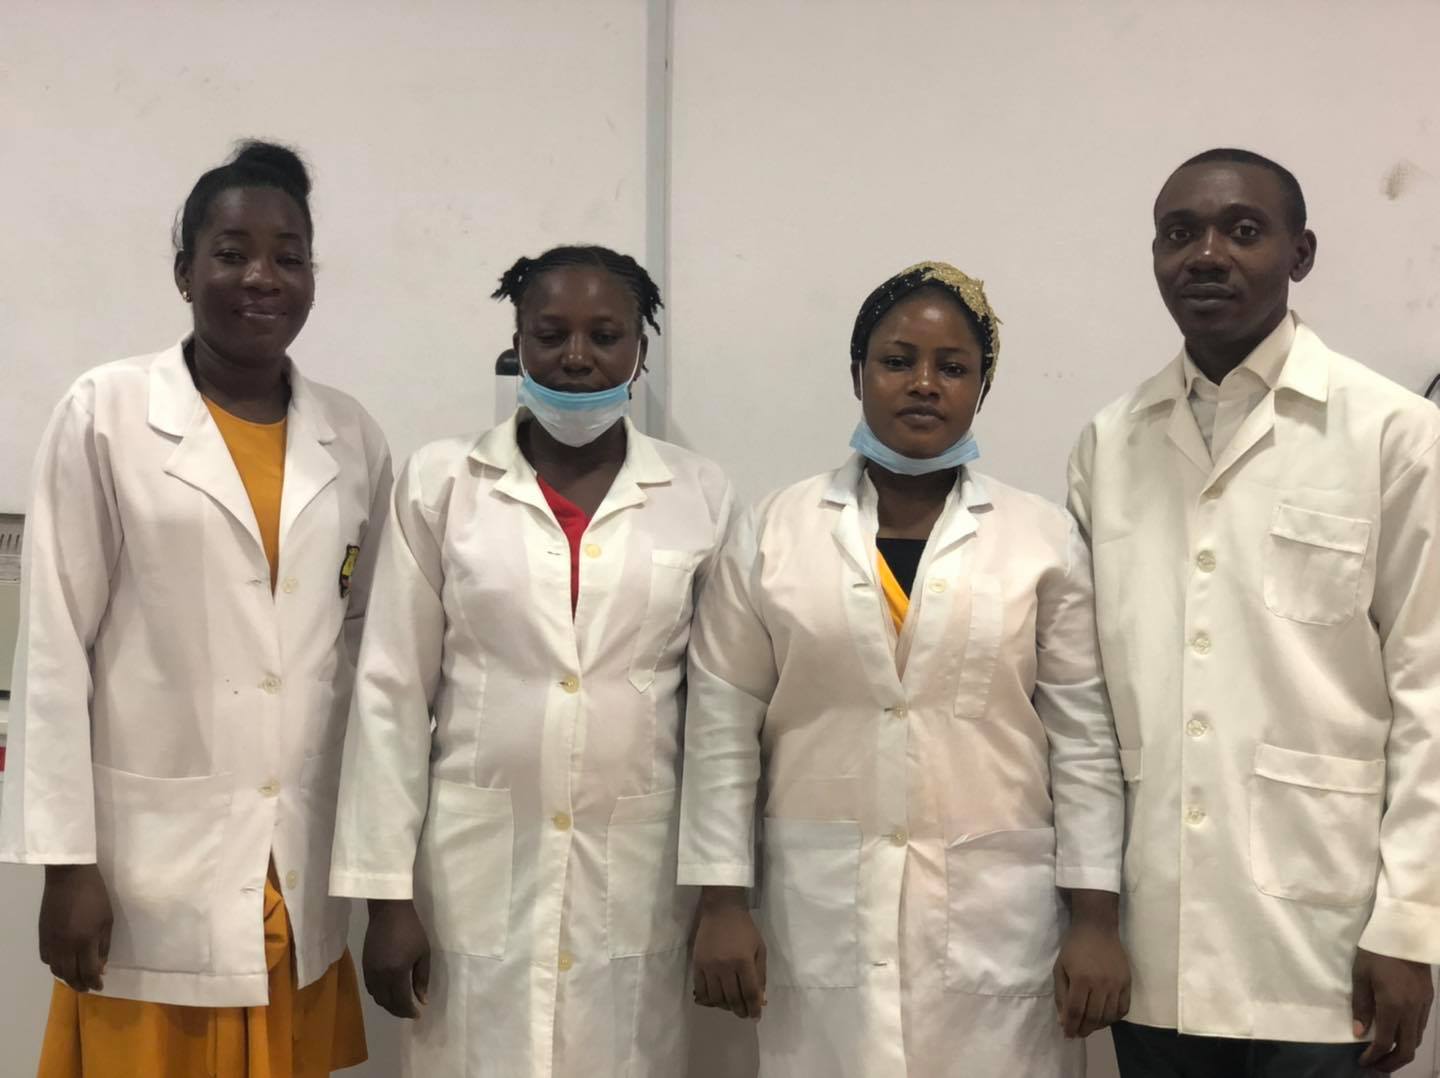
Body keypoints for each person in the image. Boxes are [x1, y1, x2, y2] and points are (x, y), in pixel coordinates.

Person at [679, 261, 1128, 1077]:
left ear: (981, 389)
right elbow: (720, 723)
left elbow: (1084, 740)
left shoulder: (1040, 538)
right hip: (819, 910)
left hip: (997, 916)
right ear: (857, 374)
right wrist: (720, 899)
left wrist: (1097, 918)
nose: (924, 384)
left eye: (952, 366)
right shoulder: (774, 530)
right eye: (897, 361)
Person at [0, 140, 390, 1077]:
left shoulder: (352, 435)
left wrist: (380, 871)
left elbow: (364, 650)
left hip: (296, 859)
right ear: (184, 271)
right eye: (231, 252)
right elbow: (53, 646)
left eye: (289, 255)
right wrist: (66, 864)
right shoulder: (106, 412)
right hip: (148, 867)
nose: (262, 277)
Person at [1068, 148, 1440, 1077]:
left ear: (1299, 253)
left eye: (1242, 231)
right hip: (1152, 942)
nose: (1206, 255)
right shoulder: (1109, 445)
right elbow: (1083, 706)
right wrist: (1091, 912)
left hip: (1322, 940)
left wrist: (1409, 923)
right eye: (1179, 234)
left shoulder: (1394, 434)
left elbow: (1430, 691)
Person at [329, 245, 735, 1077]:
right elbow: (391, 694)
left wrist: (724, 887)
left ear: (639, 352)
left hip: (635, 872)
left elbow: (721, 708)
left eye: (605, 336)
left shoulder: (700, 495)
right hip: (473, 871)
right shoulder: (443, 483)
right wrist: (384, 896)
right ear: (518, 343)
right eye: (551, 334)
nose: (577, 357)